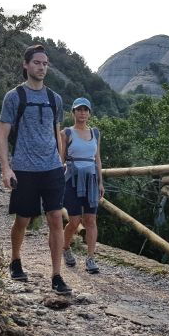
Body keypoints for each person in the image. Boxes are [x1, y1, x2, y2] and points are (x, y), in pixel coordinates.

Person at [0, 44, 72, 295]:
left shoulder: (55, 99)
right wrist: (7, 168)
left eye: (45, 63)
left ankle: (57, 275)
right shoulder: (14, 97)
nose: (41, 67)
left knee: (55, 220)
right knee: (23, 219)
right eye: (37, 62)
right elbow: (3, 133)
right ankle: (16, 259)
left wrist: (61, 162)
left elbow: (57, 132)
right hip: (25, 169)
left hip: (51, 169)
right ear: (26, 65)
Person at [60, 98, 104, 274]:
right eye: (79, 110)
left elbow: (98, 159)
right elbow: (61, 158)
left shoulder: (95, 133)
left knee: (91, 220)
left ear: (89, 113)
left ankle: (90, 258)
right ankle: (65, 248)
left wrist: (101, 182)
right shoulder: (66, 133)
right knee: (75, 221)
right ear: (73, 112)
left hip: (91, 180)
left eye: (85, 110)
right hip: (72, 179)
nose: (82, 113)